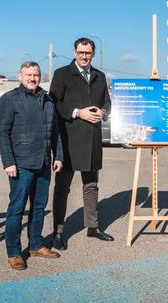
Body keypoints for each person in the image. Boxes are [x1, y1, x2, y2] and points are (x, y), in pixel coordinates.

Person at [0, 61, 63, 270]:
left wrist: (58, 156)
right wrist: (8, 162)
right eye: (29, 75)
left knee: (39, 207)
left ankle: (36, 245)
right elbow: (2, 133)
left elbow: (55, 132)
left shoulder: (47, 99)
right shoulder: (9, 99)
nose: (33, 78)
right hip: (20, 164)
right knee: (17, 209)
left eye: (36, 75)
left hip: (44, 163)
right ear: (20, 76)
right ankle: (14, 252)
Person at [50, 37, 113, 250]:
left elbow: (107, 102)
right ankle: (58, 232)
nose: (84, 56)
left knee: (91, 186)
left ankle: (93, 227)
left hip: (92, 140)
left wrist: (102, 112)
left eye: (88, 53)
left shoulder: (99, 76)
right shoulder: (62, 74)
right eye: (80, 53)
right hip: (68, 140)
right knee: (62, 188)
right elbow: (54, 103)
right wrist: (78, 113)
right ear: (74, 53)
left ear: (93, 54)